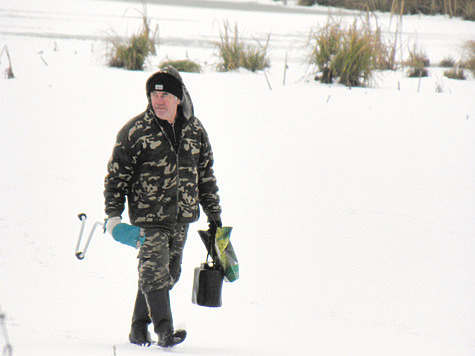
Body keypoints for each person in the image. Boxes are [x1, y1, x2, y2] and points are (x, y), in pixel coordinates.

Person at [103, 66, 222, 348]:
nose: (158, 100)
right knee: (154, 272)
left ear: (179, 98)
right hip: (148, 216)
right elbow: (116, 177)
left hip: (182, 216)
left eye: (165, 94)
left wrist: (214, 213)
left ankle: (137, 327)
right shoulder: (134, 131)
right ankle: (165, 331)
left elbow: (205, 174)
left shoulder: (195, 131)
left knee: (167, 273)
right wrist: (113, 216)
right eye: (154, 94)